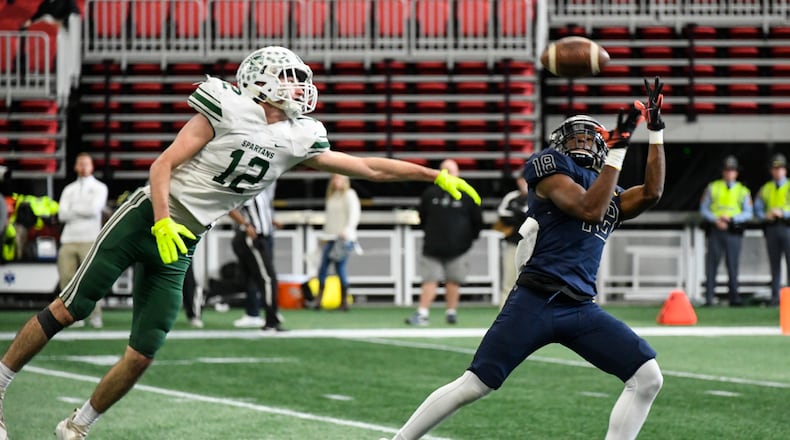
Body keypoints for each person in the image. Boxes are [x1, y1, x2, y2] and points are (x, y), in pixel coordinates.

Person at [0, 45, 480, 439]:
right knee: (71, 308)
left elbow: (368, 166)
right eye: (290, 77)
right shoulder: (226, 106)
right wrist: (163, 220)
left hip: (184, 241)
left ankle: (76, 427)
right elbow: (162, 165)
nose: (300, 86)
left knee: (144, 350)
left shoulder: (297, 136)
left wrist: (432, 174)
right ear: (262, 79)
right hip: (146, 217)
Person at [386, 78, 666, 440]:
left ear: (601, 147)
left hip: (580, 306)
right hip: (535, 300)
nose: (580, 143)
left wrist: (656, 132)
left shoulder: (607, 185)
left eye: (588, 138)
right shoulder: (548, 168)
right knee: (475, 385)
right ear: (560, 145)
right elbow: (589, 209)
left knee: (647, 378)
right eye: (574, 137)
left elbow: (653, 192)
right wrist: (618, 152)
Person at [405, 159, 483, 326]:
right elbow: (422, 217)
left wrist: (466, 241)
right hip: (433, 246)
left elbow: (477, 221)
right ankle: (422, 313)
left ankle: (451, 312)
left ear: (458, 172)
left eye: (452, 170)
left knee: (453, 281)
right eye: (445, 170)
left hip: (458, 248)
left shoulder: (467, 194)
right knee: (429, 280)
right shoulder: (430, 193)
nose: (449, 173)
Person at [56, 152, 108, 329]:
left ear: (92, 166)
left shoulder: (100, 187)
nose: (84, 167)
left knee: (91, 280)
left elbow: (94, 210)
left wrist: (73, 210)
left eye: (87, 163)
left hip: (90, 239)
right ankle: (72, 316)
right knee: (66, 279)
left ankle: (95, 316)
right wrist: (81, 209)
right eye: (80, 164)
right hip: (68, 239)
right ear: (75, 166)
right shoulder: (69, 189)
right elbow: (61, 214)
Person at [700, 154, 754, 307]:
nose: (730, 173)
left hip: (733, 230)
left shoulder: (743, 191)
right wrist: (716, 219)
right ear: (723, 171)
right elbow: (704, 209)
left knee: (733, 265)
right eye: (727, 170)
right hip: (716, 229)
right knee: (711, 265)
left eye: (732, 170)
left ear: (736, 172)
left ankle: (734, 297)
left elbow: (748, 213)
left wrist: (732, 219)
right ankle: (709, 297)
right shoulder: (713, 187)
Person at [228, 183, 282, 328]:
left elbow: (262, 211)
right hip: (253, 238)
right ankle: (271, 320)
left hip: (262, 236)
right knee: (268, 278)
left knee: (261, 278)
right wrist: (246, 225)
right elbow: (229, 207)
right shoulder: (247, 187)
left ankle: (267, 315)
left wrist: (270, 221)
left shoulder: (262, 190)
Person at [312, 174, 361, 311]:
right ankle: (318, 301)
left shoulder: (350, 194)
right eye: (334, 179)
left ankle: (344, 302)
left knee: (340, 269)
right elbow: (329, 218)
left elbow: (354, 214)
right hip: (330, 236)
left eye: (339, 179)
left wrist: (348, 230)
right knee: (322, 269)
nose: (336, 181)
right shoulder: (332, 195)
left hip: (342, 238)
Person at [754, 153, 790, 306]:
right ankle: (776, 297)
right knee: (774, 265)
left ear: (785, 170)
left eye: (780, 168)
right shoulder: (766, 188)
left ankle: (788, 298)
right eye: (775, 168)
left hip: (787, 226)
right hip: (772, 228)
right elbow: (757, 208)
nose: (777, 171)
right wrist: (765, 215)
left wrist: (783, 213)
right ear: (771, 171)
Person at [492, 171, 528, 308]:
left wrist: (518, 213)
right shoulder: (512, 197)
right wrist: (522, 215)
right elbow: (503, 216)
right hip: (514, 244)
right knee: (509, 283)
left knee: (538, 283)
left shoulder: (540, 196)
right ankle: (503, 316)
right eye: (522, 179)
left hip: (537, 247)